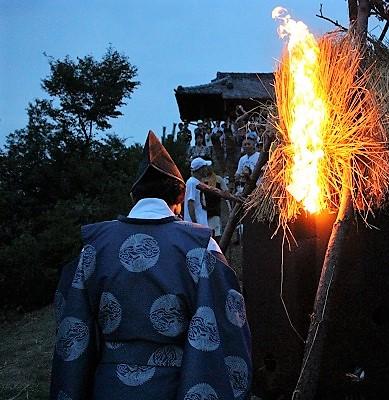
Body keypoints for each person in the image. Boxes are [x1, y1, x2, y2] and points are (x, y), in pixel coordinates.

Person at [50, 131, 251, 400]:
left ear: (135, 198)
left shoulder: (94, 247)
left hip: (108, 388)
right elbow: (227, 323)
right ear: (178, 202)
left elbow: (73, 329)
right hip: (175, 386)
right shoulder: (201, 246)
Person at [198, 165, 227, 241]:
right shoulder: (200, 181)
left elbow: (226, 192)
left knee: (216, 231)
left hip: (215, 209)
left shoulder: (218, 179)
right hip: (203, 210)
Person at [184, 157, 210, 225]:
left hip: (201, 222)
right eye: (205, 167)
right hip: (196, 224)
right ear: (200, 170)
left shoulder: (197, 182)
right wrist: (195, 223)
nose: (207, 170)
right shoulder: (192, 183)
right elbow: (190, 203)